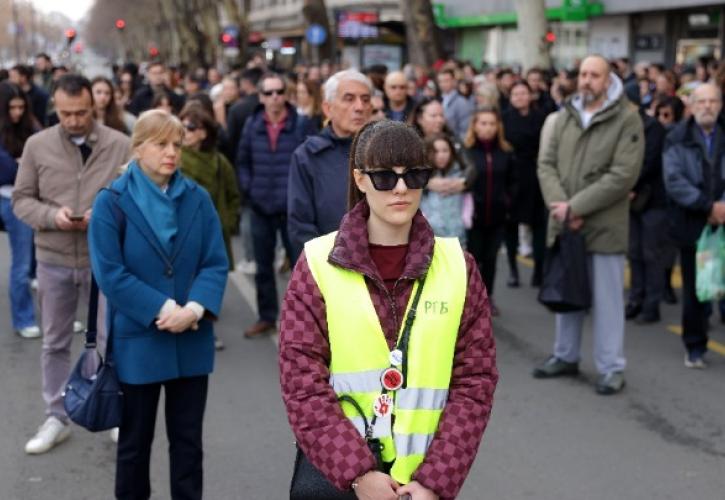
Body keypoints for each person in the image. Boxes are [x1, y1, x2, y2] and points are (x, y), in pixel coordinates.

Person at [279, 120, 497, 500]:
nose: (400, 188)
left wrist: (434, 481)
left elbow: (475, 382)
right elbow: (301, 383)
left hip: (422, 486)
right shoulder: (316, 262)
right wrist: (360, 474)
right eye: (384, 177)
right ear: (360, 179)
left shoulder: (459, 266)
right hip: (340, 480)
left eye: (414, 175)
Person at [88, 109, 228, 499]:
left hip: (191, 338)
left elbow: (215, 262)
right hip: (139, 339)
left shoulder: (197, 198)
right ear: (138, 148)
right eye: (161, 144)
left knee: (188, 446)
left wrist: (195, 309)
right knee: (134, 445)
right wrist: (164, 309)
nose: (171, 153)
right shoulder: (111, 202)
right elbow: (110, 274)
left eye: (177, 145)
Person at [13, 74, 131, 453]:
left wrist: (107, 212)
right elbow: (20, 200)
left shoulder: (120, 144)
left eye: (81, 113)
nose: (74, 120)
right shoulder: (37, 145)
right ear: (56, 109)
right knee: (54, 341)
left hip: (105, 262)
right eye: (66, 113)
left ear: (93, 107)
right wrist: (53, 216)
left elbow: (137, 198)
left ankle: (115, 411)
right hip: (54, 257)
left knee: (112, 342)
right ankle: (56, 415)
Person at [534, 55, 644, 395]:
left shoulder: (627, 118)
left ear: (609, 80)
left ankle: (611, 367)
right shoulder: (565, 115)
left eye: (594, 75)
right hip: (567, 222)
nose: (586, 80)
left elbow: (623, 176)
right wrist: (563, 208)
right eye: (582, 74)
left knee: (608, 301)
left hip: (603, 226)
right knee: (568, 291)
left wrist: (575, 206)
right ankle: (565, 355)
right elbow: (546, 165)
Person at [236, 73, 307, 338]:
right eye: (269, 93)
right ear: (260, 97)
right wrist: (249, 189)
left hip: (292, 210)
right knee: (263, 267)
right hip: (261, 207)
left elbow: (309, 162)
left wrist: (300, 196)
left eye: (279, 91)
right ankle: (266, 316)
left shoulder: (300, 124)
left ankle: (301, 322)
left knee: (301, 269)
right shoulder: (252, 125)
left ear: (286, 94)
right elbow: (242, 160)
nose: (275, 97)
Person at [662, 83, 725, 369]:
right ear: (692, 105)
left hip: (722, 218)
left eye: (713, 101)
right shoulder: (677, 136)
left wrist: (722, 206)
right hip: (692, 223)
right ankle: (695, 346)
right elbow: (674, 180)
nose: (707, 106)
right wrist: (707, 206)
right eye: (702, 101)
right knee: (695, 289)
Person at [287, 69, 373, 262]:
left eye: (366, 100)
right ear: (328, 108)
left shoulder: (383, 152)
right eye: (349, 99)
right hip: (329, 267)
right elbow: (300, 226)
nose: (359, 107)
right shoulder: (308, 156)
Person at [462, 107, 516, 316]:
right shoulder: (466, 152)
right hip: (473, 217)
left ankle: (487, 298)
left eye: (492, 123)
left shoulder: (505, 152)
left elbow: (514, 181)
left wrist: (508, 202)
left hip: (497, 216)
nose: (487, 128)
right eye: (483, 123)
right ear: (474, 126)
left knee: (491, 259)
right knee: (474, 259)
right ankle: (471, 301)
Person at [179, 102, 240, 269]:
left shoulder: (220, 162)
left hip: (212, 236)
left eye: (191, 127)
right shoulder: (172, 160)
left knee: (210, 289)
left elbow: (233, 196)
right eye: (181, 126)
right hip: (181, 237)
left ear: (204, 133)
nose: (185, 131)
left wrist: (228, 223)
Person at [0, 82, 40, 338]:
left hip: (29, 198)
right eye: (11, 107)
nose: (16, 112)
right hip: (9, 198)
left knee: (34, 262)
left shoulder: (31, 127)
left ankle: (37, 318)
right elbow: (8, 170)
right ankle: (24, 319)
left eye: (20, 107)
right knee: (22, 264)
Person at [624, 91, 668, 324]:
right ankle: (635, 299)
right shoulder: (624, 128)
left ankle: (651, 305)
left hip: (652, 201)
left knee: (651, 255)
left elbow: (648, 162)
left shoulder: (653, 128)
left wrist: (627, 184)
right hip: (633, 200)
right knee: (634, 253)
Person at [502, 81, 547, 287]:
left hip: (535, 173)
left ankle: (539, 270)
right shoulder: (504, 118)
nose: (519, 97)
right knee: (510, 224)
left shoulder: (541, 117)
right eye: (515, 93)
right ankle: (512, 270)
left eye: (523, 93)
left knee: (538, 224)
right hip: (511, 174)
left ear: (530, 96)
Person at [420, 133, 467, 245]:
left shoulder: (460, 174)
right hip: (429, 238)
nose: (441, 155)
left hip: (458, 236)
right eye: (435, 151)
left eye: (445, 150)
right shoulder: (419, 177)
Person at [437, 69, 474, 140]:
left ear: (454, 81)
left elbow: (465, 128)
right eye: (440, 81)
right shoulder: (439, 99)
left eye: (446, 81)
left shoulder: (461, 101)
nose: (443, 84)